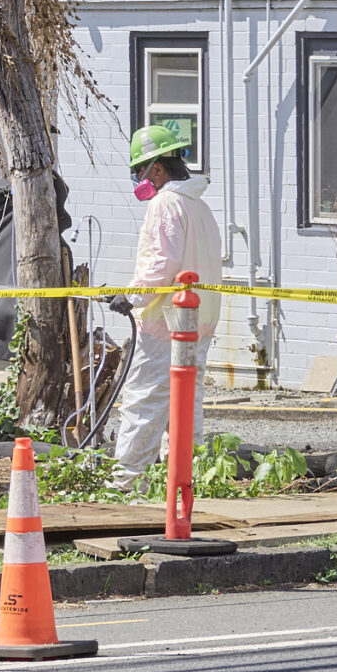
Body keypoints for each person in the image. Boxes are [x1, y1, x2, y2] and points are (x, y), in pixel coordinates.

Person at [110, 125, 223, 485]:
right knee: (185, 404)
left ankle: (126, 482)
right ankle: (186, 479)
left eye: (140, 170)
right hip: (197, 321)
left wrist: (131, 297)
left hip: (165, 323)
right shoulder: (199, 205)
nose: (138, 180)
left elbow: (161, 264)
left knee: (145, 399)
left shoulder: (166, 203)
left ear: (157, 168)